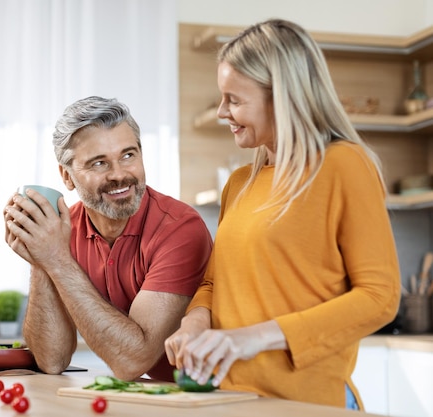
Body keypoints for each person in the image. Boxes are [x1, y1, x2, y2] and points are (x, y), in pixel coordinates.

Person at [164, 19, 401, 410]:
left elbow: (380, 298)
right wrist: (194, 325)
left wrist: (253, 337)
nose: (223, 111)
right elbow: (214, 283)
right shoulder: (240, 183)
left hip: (307, 402)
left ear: (283, 97)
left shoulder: (345, 165)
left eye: (234, 99)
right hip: (231, 398)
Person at [3, 96, 213, 382]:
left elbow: (132, 360)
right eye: (99, 163)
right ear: (67, 176)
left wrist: (56, 260)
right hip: (157, 395)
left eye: (128, 155)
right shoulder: (65, 231)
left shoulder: (179, 229)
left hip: (211, 394)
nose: (119, 175)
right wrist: (41, 259)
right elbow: (52, 360)